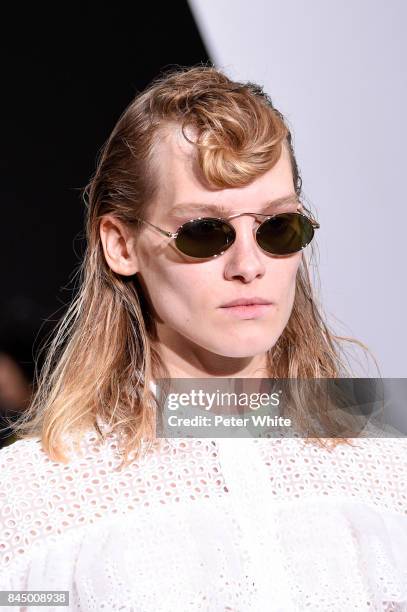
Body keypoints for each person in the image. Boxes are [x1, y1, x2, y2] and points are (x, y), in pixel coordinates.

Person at [1, 65, 406, 611]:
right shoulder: (33, 502)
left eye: (277, 227)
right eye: (204, 232)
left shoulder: (386, 474)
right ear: (120, 244)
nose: (248, 264)